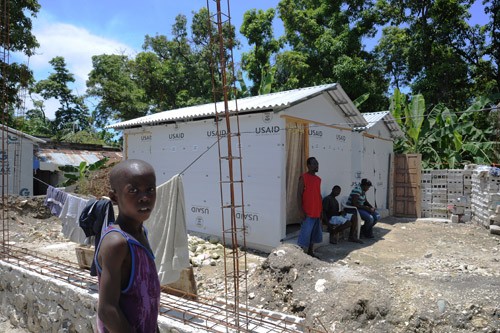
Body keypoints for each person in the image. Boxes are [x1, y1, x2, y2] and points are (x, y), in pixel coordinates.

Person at [95, 159, 160, 333]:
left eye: (150, 190)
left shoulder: (140, 233)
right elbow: (107, 310)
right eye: (133, 190)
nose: (145, 197)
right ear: (115, 197)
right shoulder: (117, 243)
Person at [297, 157, 323, 257]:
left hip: (317, 211)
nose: (317, 166)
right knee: (305, 233)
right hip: (307, 211)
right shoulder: (303, 177)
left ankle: (310, 252)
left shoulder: (318, 179)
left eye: (317, 164)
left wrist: (321, 211)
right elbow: (299, 194)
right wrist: (300, 211)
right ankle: (300, 255)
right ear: (308, 165)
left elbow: (318, 195)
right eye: (314, 164)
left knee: (314, 233)